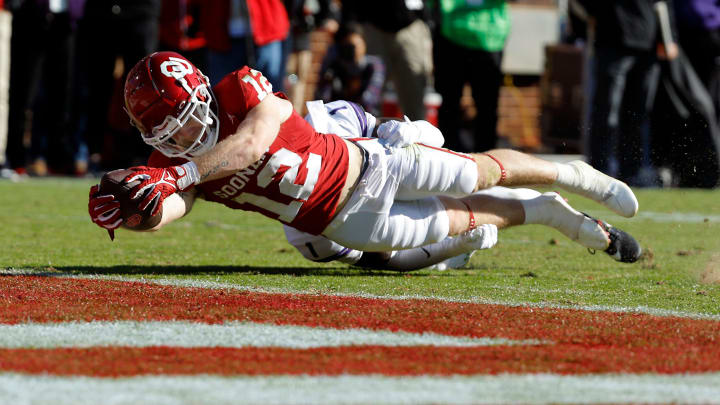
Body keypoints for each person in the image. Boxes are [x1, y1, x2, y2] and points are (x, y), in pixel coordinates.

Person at [89, 52, 642, 266]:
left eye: (175, 116)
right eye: (156, 127)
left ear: (200, 93)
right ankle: (547, 211)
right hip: (352, 223)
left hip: (371, 163)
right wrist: (138, 212)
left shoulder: (239, 89)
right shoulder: (174, 163)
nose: (173, 133)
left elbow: (253, 143)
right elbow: (173, 210)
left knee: (478, 169)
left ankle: (572, 173)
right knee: (470, 215)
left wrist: (178, 172)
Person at [430, 0, 510, 152]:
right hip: (451, 34)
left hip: (488, 39)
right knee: (448, 103)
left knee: (487, 106)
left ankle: (487, 159)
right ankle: (448, 157)